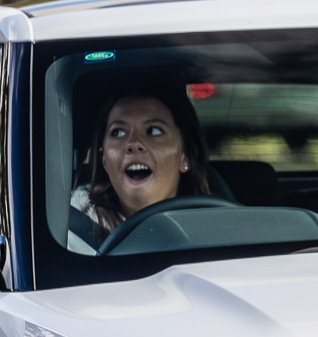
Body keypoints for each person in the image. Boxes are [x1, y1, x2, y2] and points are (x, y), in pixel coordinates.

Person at [70, 89, 214, 246]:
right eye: (118, 132)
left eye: (154, 130)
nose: (134, 143)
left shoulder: (215, 233)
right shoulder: (69, 231)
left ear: (186, 156)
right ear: (104, 159)